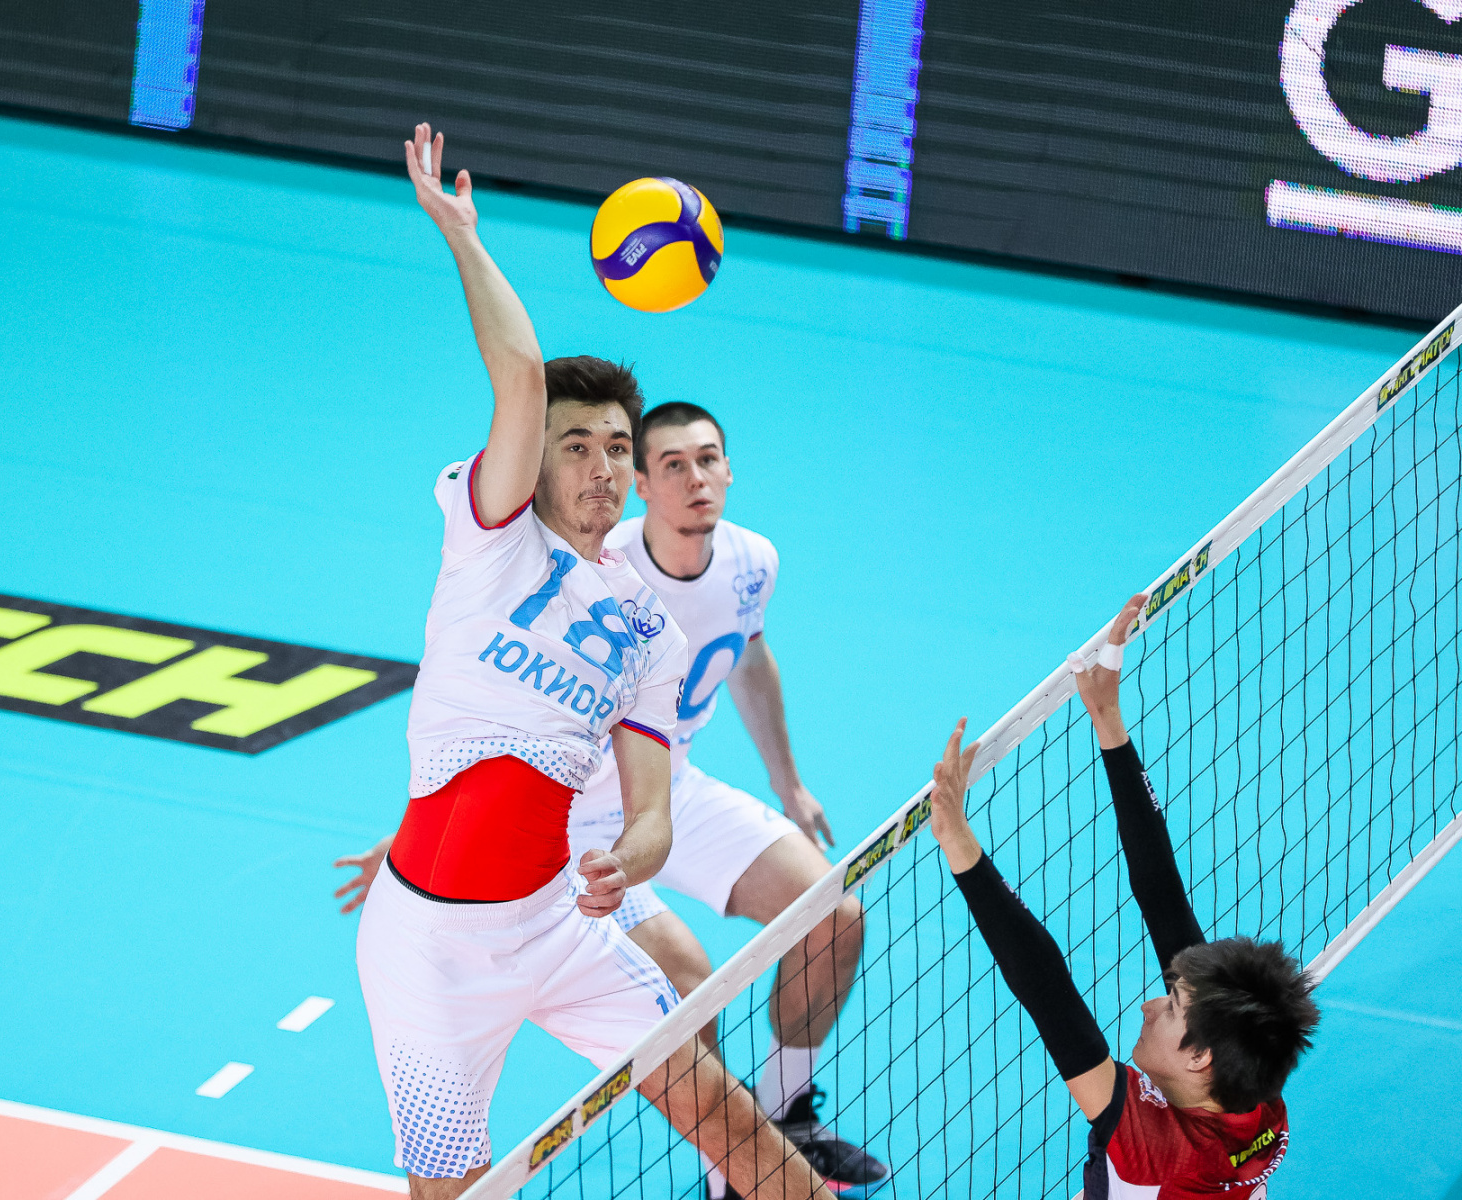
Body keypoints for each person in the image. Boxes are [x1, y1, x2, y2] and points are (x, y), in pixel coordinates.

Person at [356, 122, 836, 1200]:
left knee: (738, 1131)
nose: (604, 468)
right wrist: (462, 234)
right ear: (532, 461)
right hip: (429, 951)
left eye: (619, 448)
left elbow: (652, 807)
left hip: (560, 928)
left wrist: (635, 856)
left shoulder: (648, 630)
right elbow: (520, 377)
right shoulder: (491, 540)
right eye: (577, 446)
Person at [341, 401, 885, 1197]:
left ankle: (786, 1113)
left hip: (664, 789)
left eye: (708, 459)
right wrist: (408, 846)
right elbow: (490, 705)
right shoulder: (586, 565)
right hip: (572, 832)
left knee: (832, 916)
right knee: (690, 983)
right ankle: (724, 1174)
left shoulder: (749, 560)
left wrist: (787, 780)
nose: (696, 479)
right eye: (673, 465)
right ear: (643, 488)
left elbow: (750, 659)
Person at [927, 594, 1320, 1199]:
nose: (1148, 1004)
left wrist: (957, 841)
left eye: (1171, 1008)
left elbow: (1047, 990)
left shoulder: (1153, 1151)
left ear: (1200, 1058)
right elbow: (1163, 897)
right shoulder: (1255, 1103)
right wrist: (1109, 724)